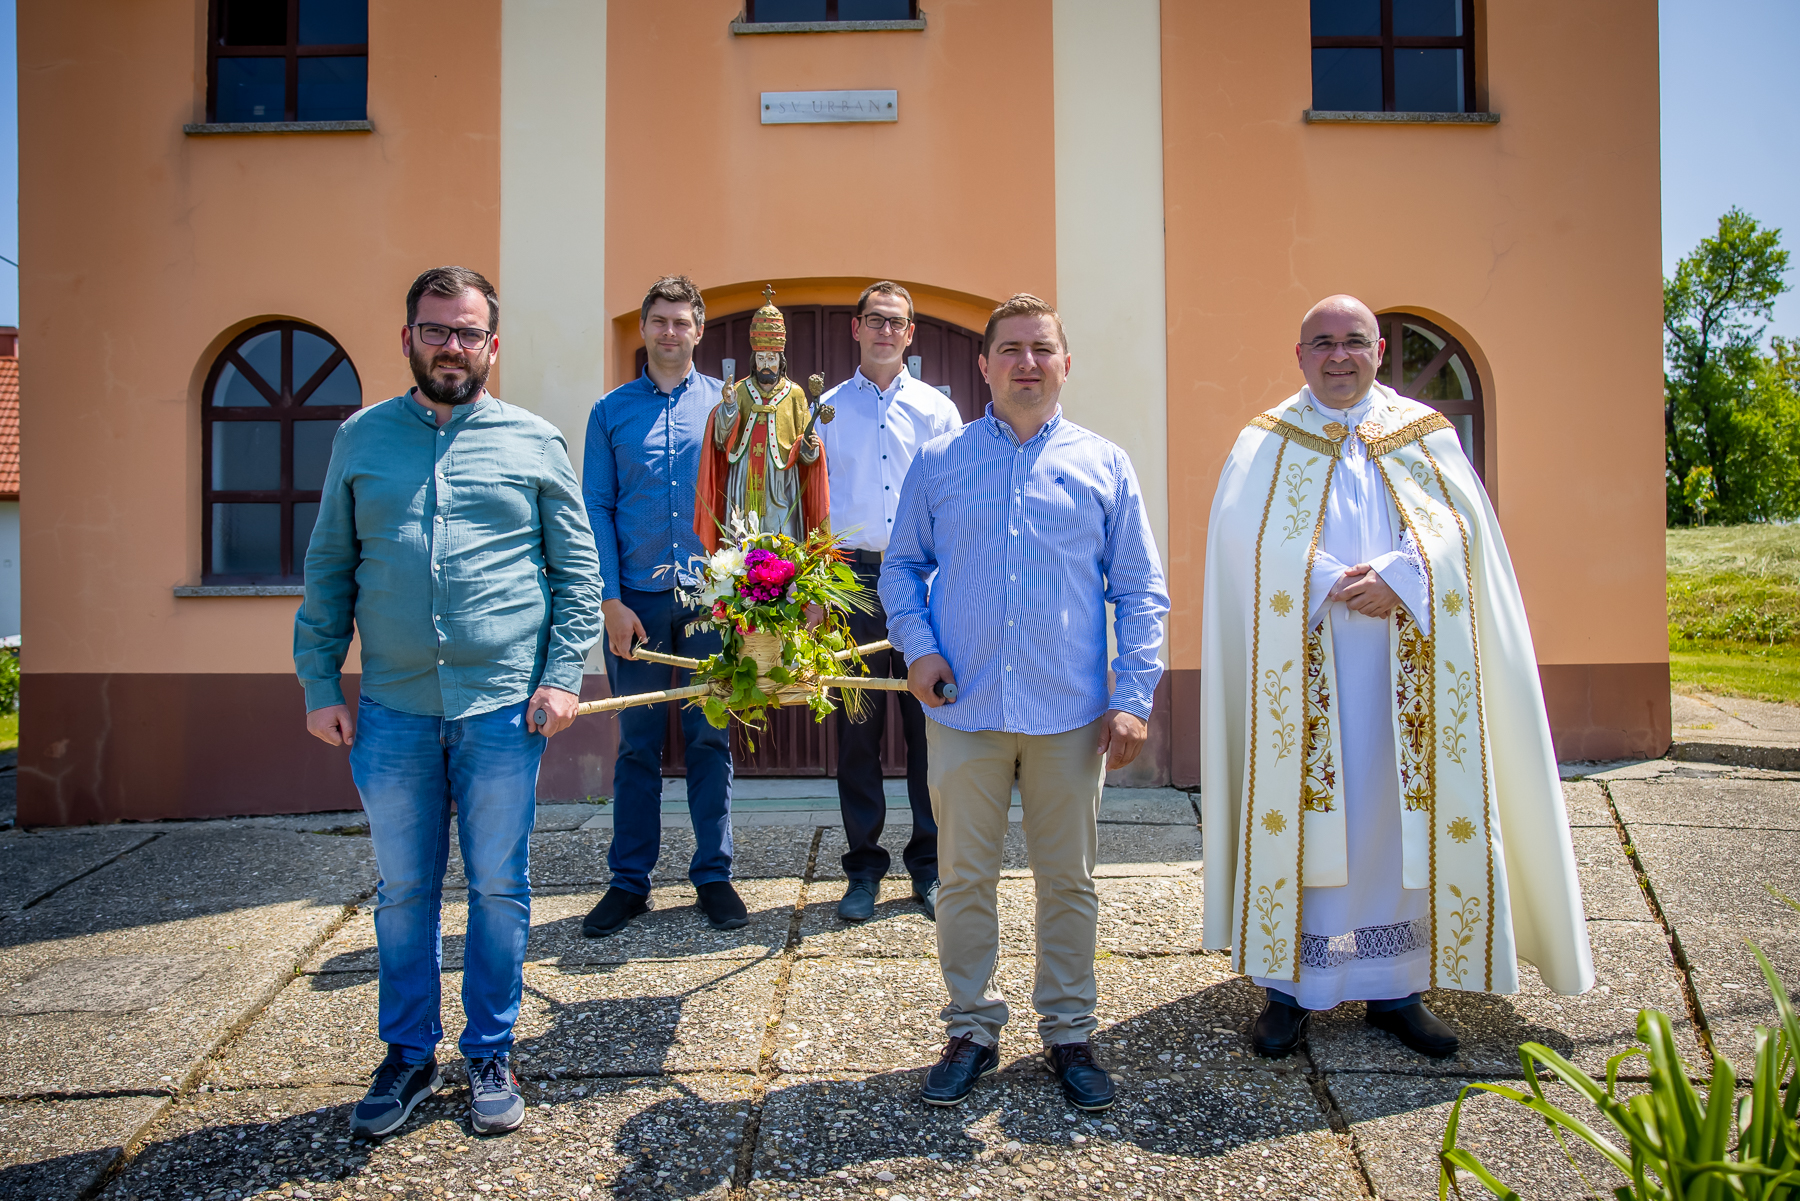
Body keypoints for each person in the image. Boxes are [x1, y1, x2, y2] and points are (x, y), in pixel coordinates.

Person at [1199, 294, 1593, 1060]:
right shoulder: (1264, 440)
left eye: (1353, 341)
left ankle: (1397, 988)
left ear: (1380, 349)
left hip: (1406, 678)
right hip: (1304, 670)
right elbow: (1241, 545)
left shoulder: (1425, 435)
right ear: (1300, 353)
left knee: (1396, 820)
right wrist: (1320, 580)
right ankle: (1290, 990)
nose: (1338, 355)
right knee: (1310, 822)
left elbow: (1465, 541)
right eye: (1322, 343)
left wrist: (1399, 578)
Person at [295, 266, 602, 1138]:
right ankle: (408, 1056)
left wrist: (562, 674)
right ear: (407, 339)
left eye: (468, 333)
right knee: (404, 890)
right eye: (436, 330)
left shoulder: (537, 442)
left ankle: (492, 1050)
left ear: (492, 347)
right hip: (391, 708)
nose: (453, 347)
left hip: (504, 710)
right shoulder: (359, 439)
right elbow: (328, 569)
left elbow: (577, 574)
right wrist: (321, 682)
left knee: (501, 887)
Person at [882, 294, 1168, 1111]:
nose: (1026, 362)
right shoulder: (941, 462)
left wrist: (1133, 694)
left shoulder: (1104, 464)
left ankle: (1070, 1028)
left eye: (1042, 347)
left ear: (1066, 362)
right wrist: (921, 645)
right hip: (964, 709)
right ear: (983, 365)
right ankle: (970, 1026)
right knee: (965, 879)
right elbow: (901, 567)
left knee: (1068, 881)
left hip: (1070, 717)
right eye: (1009, 348)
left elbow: (1141, 589)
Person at [581, 275, 746, 938]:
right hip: (639, 605)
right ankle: (629, 881)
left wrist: (749, 595)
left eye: (683, 322)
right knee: (637, 746)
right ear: (645, 329)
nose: (671, 332)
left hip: (710, 599)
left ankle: (713, 874)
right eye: (660, 321)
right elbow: (595, 506)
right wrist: (610, 600)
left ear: (700, 331)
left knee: (710, 737)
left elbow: (752, 496)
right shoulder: (610, 412)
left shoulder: (731, 408)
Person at [818, 281, 961, 924]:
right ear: (856, 328)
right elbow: (807, 504)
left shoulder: (938, 413)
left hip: (924, 586)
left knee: (928, 730)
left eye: (896, 323)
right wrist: (808, 595)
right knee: (856, 732)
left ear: (910, 334)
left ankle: (929, 866)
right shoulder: (821, 411)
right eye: (874, 320)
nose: (884, 331)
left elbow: (957, 504)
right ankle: (862, 868)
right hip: (846, 584)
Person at [694, 286, 830, 549]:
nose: (766, 364)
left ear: (781, 361)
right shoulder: (741, 390)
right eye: (761, 358)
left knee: (782, 538)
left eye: (772, 358)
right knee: (741, 538)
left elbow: (807, 450)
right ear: (753, 360)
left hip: (782, 483)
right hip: (743, 480)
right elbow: (721, 441)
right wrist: (729, 407)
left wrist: (809, 449)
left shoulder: (795, 394)